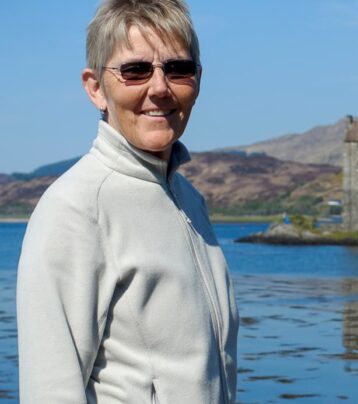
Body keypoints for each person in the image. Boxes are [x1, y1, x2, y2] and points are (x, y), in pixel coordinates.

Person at [16, 0, 239, 402]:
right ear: (96, 88)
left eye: (178, 69)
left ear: (198, 80)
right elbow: (50, 389)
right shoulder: (75, 208)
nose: (159, 87)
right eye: (135, 70)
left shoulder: (190, 200)